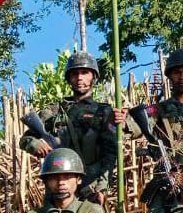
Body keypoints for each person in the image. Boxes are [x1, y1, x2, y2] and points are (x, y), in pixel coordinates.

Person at [114, 48, 183, 189]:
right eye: (177, 72)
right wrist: (124, 122)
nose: (182, 77)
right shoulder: (159, 110)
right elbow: (137, 126)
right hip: (167, 179)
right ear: (170, 76)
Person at [20, 51, 116, 204]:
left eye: (84, 73)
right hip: (58, 187)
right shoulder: (55, 111)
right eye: (75, 74)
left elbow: (111, 154)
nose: (79, 78)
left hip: (90, 186)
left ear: (94, 77)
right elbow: (25, 139)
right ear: (69, 78)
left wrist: (102, 188)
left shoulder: (103, 112)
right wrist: (34, 144)